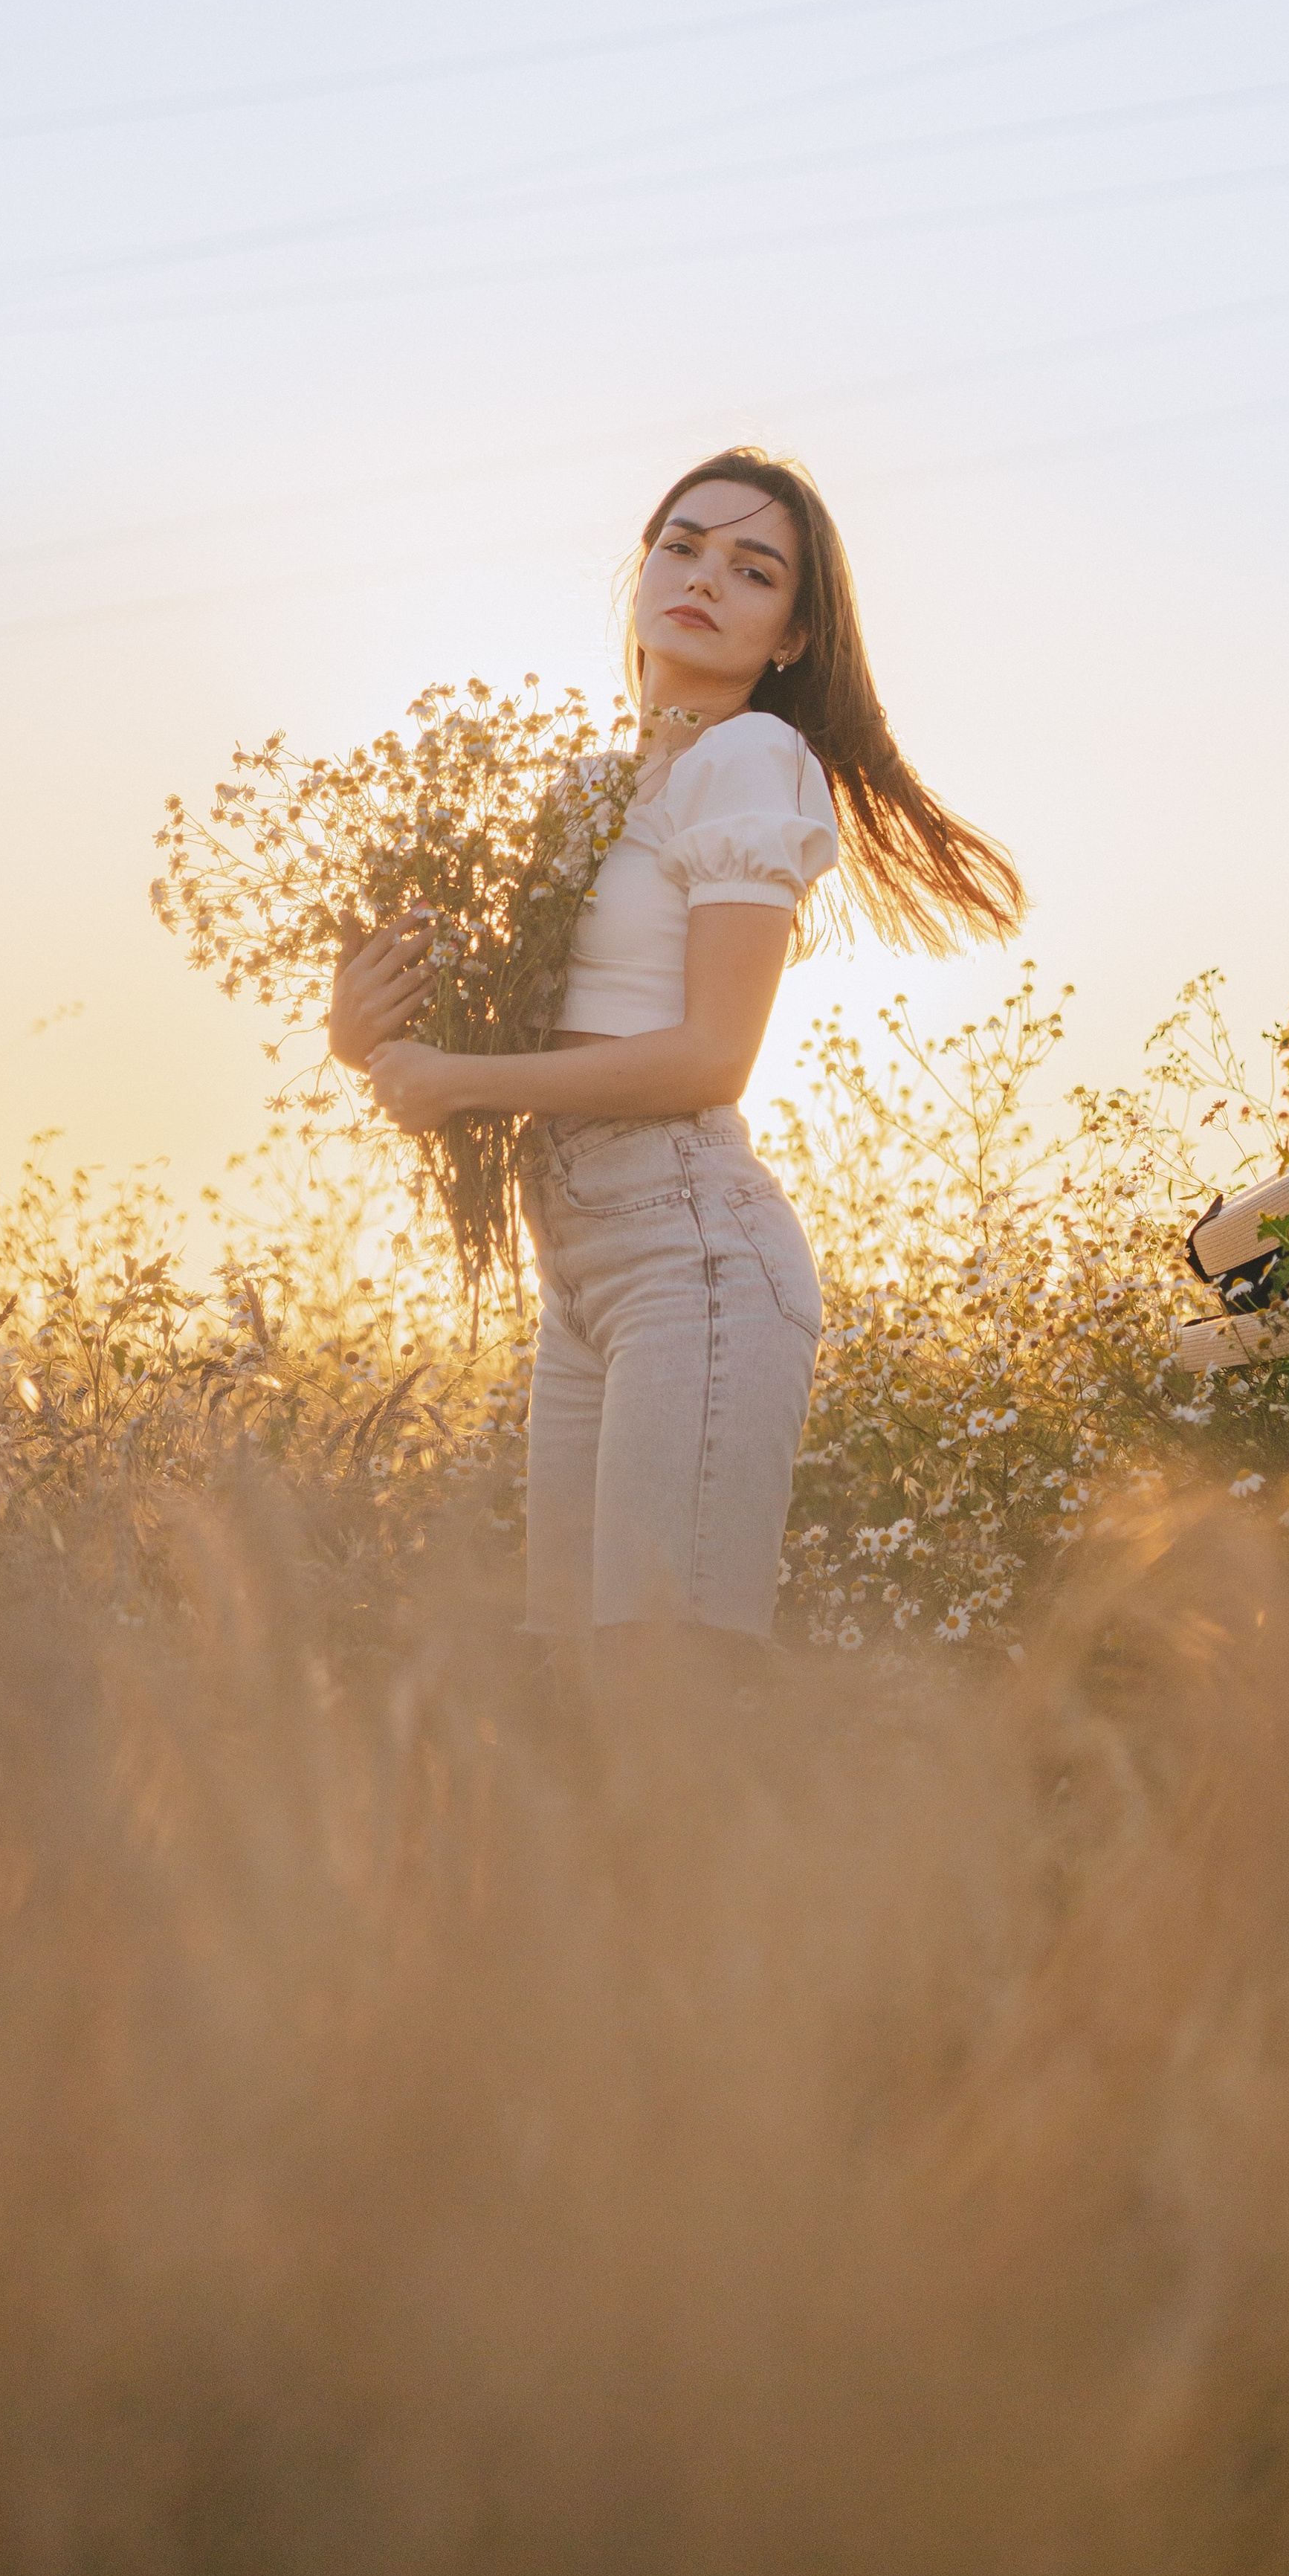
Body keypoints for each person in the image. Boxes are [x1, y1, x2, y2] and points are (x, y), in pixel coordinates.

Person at [327, 446, 1024, 1682]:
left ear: (795, 634)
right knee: (572, 1704)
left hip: (692, 1257)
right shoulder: (591, 790)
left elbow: (712, 1057)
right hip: (580, 1276)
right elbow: (519, 1041)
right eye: (682, 545)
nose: (705, 577)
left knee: (667, 1702)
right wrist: (375, 1036)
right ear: (641, 566)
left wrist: (461, 1079)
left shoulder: (750, 761)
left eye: (752, 570)